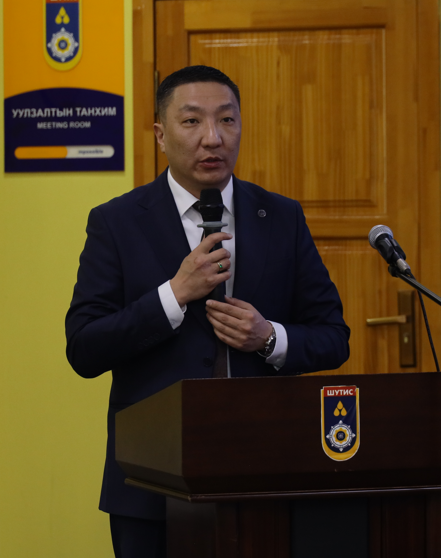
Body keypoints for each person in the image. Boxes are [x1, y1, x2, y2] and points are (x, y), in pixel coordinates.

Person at [65, 65, 350, 558]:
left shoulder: (281, 216)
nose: (213, 138)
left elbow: (333, 337)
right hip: (150, 483)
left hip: (266, 476)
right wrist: (173, 295)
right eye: (192, 121)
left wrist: (269, 338)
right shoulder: (116, 222)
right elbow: (84, 348)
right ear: (161, 134)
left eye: (227, 120)